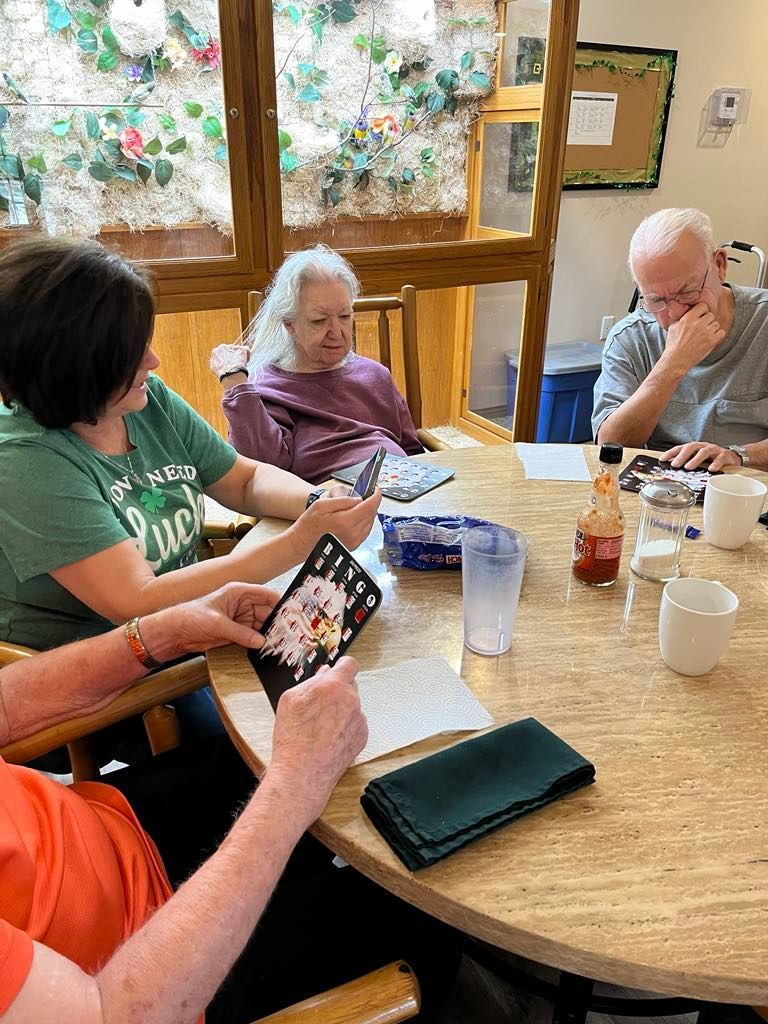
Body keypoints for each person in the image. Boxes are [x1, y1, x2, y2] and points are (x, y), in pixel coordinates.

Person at [0, 583, 459, 1022]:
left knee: (340, 789)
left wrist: (164, 632)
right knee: (427, 919)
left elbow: (5, 704)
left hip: (106, 826)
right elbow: (108, 1014)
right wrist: (294, 783)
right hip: (142, 985)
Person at [0, 236, 380, 654]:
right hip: (110, 683)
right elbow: (136, 602)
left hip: (193, 631)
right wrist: (299, 542)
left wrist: (316, 501)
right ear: (72, 364)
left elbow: (244, 479)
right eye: (130, 351)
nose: (153, 360)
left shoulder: (144, 400)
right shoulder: (24, 460)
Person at [209, 245, 424, 484]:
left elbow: (412, 450)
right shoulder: (266, 389)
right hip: (329, 507)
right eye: (319, 321)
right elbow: (258, 474)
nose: (337, 332)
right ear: (289, 324)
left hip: (400, 493)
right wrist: (235, 382)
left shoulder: (375, 375)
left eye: (344, 316)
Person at [592, 208, 768, 456]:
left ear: (719, 265)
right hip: (663, 482)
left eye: (687, 292)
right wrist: (672, 364)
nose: (674, 312)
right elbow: (609, 444)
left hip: (750, 484)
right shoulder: (630, 338)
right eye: (656, 300)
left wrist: (738, 455)